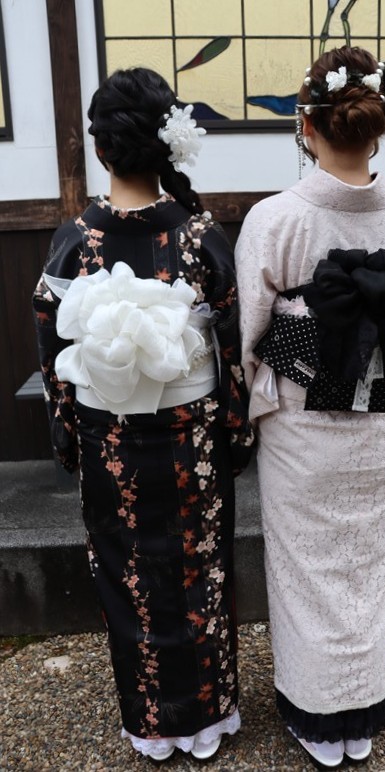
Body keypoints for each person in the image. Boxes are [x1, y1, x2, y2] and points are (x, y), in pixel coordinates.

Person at [33, 67, 253, 763]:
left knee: (128, 579)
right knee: (200, 574)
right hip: (192, 441)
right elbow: (231, 347)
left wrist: (68, 437)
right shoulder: (200, 236)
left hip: (109, 443)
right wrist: (236, 431)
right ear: (166, 146)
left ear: (100, 149)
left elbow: (54, 354)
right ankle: (209, 720)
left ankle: (151, 726)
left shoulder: (75, 241)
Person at [235, 46, 385, 769]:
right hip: (378, 421)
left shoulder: (273, 219)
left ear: (306, 124)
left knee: (306, 568)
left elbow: (251, 334)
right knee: (366, 566)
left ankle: (317, 717)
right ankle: (358, 710)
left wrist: (263, 401)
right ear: (377, 128)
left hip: (300, 424)